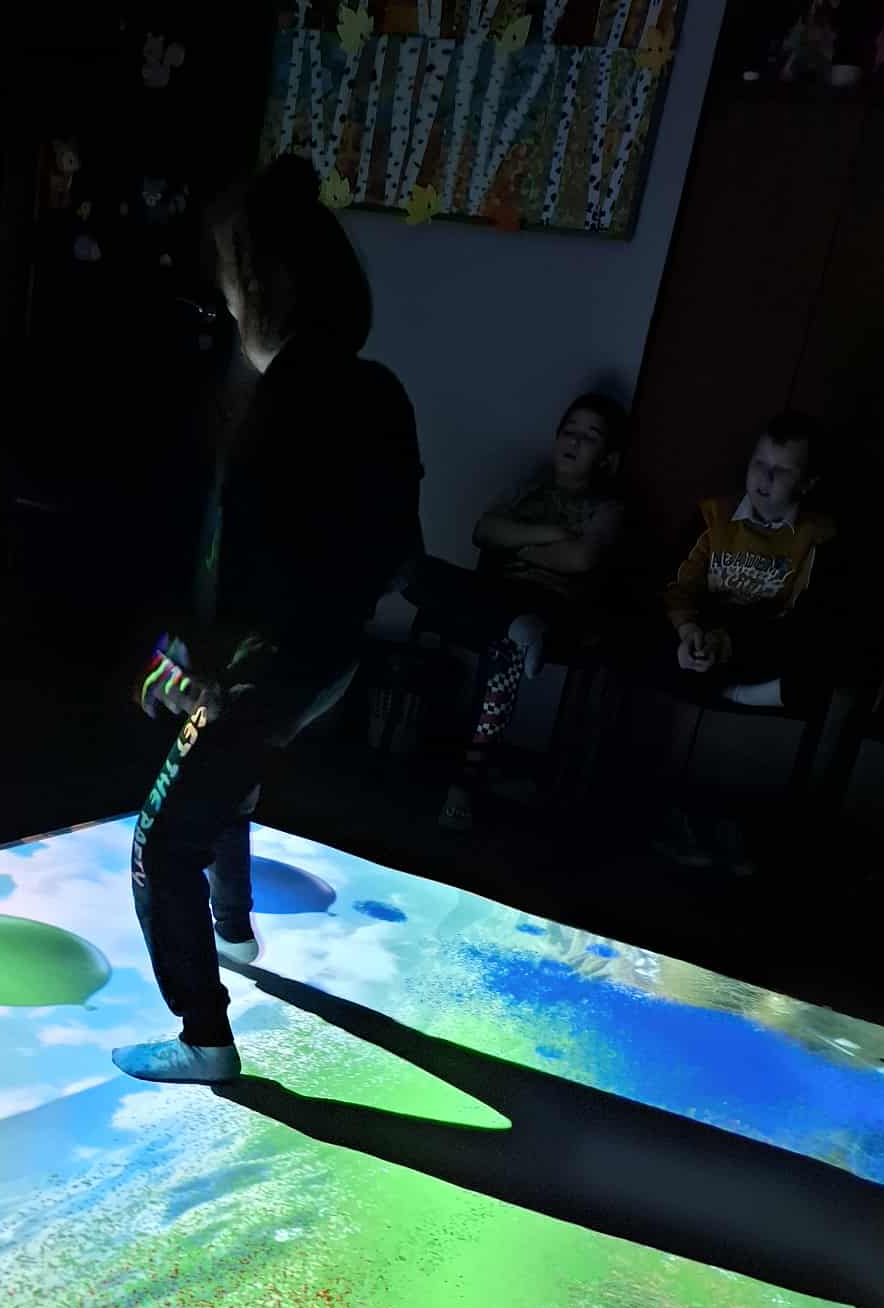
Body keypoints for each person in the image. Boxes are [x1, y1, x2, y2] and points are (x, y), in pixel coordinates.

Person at [112, 156, 423, 1085]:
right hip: (323, 661)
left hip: (268, 662)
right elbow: (391, 553)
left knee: (163, 840)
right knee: (231, 778)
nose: (219, 299)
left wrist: (195, 668)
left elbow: (250, 561)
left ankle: (204, 1036)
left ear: (261, 282)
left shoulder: (287, 399)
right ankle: (235, 933)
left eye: (226, 279)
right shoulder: (376, 390)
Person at [411, 393, 628, 830]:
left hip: (554, 607)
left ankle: (466, 783)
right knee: (417, 572)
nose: (575, 441)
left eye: (590, 436)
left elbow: (581, 558)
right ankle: (514, 626)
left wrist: (517, 544)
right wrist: (553, 534)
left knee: (506, 643)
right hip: (498, 596)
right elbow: (484, 531)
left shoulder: (606, 509)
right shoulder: (526, 488)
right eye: (569, 430)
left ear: (608, 457)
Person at [652, 410, 837, 868]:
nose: (764, 478)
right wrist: (689, 631)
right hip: (700, 635)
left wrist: (730, 642)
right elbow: (677, 587)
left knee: (816, 663)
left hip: (760, 646)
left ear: (807, 483)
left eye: (782, 470)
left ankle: (727, 690)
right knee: (641, 630)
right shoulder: (713, 516)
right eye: (759, 463)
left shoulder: (817, 537)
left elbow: (806, 618)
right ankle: (676, 817)